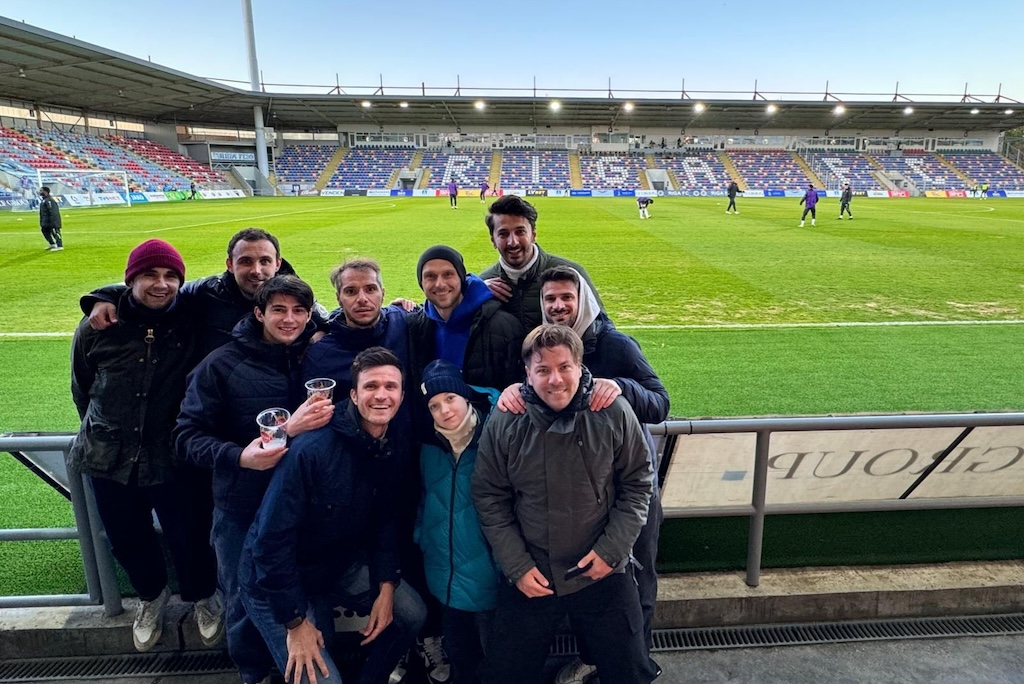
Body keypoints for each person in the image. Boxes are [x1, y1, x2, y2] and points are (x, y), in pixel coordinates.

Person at [498, 266, 670, 684]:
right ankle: (592, 659)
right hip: (576, 490)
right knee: (586, 582)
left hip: (629, 486)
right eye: (550, 299)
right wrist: (510, 393)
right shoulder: (539, 347)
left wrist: (621, 388)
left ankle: (636, 661)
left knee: (634, 581)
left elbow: (660, 403)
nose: (558, 306)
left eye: (566, 298)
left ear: (584, 301)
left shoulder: (614, 344)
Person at [472, 325, 656, 684]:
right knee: (504, 673)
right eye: (543, 370)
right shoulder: (506, 419)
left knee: (630, 671)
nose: (555, 380)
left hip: (603, 571)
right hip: (532, 573)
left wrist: (611, 552)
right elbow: (490, 496)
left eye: (564, 367)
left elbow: (638, 484)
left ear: (580, 366)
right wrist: (518, 567)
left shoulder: (614, 411)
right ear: (527, 373)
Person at [175, 275, 333, 684]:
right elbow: (186, 437)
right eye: (278, 310)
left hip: (303, 508)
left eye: (299, 310)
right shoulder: (220, 364)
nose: (290, 319)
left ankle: (304, 663)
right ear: (258, 313)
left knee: (303, 590)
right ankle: (253, 673)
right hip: (241, 505)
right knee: (243, 602)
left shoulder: (315, 356)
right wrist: (238, 456)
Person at [238, 347, 427, 684]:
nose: (381, 395)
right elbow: (270, 542)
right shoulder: (313, 450)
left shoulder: (393, 441)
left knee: (411, 614)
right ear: (353, 395)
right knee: (323, 679)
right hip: (276, 582)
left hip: (335, 565)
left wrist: (386, 584)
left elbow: (385, 518)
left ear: (401, 395)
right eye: (370, 387)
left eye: (390, 386)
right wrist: (295, 623)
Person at [71, 239, 223, 653]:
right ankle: (151, 597)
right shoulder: (96, 327)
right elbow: (82, 389)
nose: (162, 284)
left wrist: (100, 296)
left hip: (171, 456)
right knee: (125, 537)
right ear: (130, 279)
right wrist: (101, 298)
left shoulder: (191, 320)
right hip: (108, 456)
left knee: (190, 535)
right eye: (150, 275)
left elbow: (242, 283)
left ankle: (203, 597)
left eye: (171, 276)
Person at [81, 228, 323, 357]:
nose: (256, 271)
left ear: (277, 264)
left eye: (265, 261)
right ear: (230, 264)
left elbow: (332, 320)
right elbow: (161, 291)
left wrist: (321, 331)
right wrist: (105, 297)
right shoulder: (207, 292)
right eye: (246, 261)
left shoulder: (297, 296)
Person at [417, 360, 502, 684]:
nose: (444, 411)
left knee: (496, 660)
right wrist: (423, 536)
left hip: (492, 580)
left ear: (466, 396)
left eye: (450, 399)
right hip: (445, 578)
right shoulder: (429, 446)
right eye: (434, 405)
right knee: (461, 659)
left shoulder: (497, 434)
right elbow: (426, 498)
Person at [408, 245, 524, 394]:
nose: (440, 284)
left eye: (448, 274)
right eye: (430, 276)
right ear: (421, 283)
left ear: (461, 278)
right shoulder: (414, 327)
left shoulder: (504, 326)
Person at [480, 195, 604, 330]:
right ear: (493, 240)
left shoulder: (573, 273)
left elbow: (601, 328)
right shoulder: (482, 285)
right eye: (503, 234)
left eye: (520, 232)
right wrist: (475, 291)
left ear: (533, 235)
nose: (513, 242)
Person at [39, 186, 63, 251]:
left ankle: (60, 245)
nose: (40, 192)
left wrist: (53, 221)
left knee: (55, 232)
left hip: (52, 221)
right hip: (45, 221)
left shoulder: (49, 200)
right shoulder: (44, 200)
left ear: (45, 191)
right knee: (44, 231)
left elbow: (53, 211)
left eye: (41, 190)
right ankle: (52, 244)